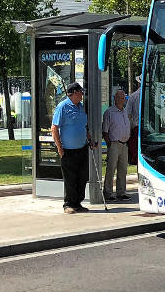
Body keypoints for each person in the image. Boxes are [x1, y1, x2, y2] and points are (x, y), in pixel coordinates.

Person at [51, 82, 94, 214]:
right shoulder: (62, 107)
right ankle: (68, 204)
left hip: (82, 148)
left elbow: (84, 127)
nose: (82, 95)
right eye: (81, 92)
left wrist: (90, 140)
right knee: (70, 179)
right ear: (74, 93)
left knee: (82, 177)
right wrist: (60, 148)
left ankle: (78, 203)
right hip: (68, 150)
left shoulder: (81, 107)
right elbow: (54, 128)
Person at [102, 89, 131, 201]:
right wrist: (109, 144)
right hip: (114, 144)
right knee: (111, 169)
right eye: (120, 97)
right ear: (115, 98)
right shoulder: (109, 112)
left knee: (123, 170)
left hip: (124, 145)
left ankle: (121, 192)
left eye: (124, 97)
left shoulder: (125, 111)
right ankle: (108, 193)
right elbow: (105, 131)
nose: (122, 99)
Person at [126, 76, 141, 166]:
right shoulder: (152, 96)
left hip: (136, 128)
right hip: (150, 129)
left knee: (135, 152)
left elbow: (128, 115)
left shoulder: (133, 96)